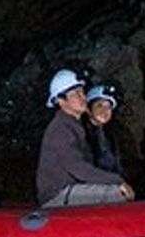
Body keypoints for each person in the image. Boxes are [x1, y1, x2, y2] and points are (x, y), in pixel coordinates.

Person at [37, 69, 134, 207]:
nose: (82, 97)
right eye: (75, 94)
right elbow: (78, 168)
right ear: (61, 100)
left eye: (82, 92)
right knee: (116, 193)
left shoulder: (74, 125)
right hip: (57, 194)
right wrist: (117, 181)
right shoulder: (61, 128)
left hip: (71, 188)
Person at [84, 84, 123, 176]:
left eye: (108, 107)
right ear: (88, 109)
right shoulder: (81, 133)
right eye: (99, 105)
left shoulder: (110, 134)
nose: (104, 110)